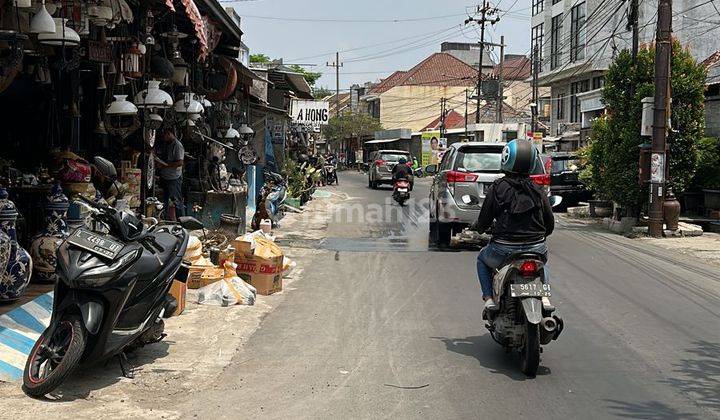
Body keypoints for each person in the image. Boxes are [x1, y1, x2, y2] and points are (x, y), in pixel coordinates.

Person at [471, 139, 555, 311]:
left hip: (503, 249)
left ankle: (488, 299)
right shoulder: (538, 189)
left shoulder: (497, 188)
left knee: (481, 259)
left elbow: (484, 220)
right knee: (543, 262)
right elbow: (550, 223)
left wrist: (479, 228)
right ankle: (545, 297)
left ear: (506, 158)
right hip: (536, 247)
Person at [154, 127, 185, 219]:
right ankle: (166, 219)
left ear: (170, 134)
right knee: (165, 200)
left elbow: (180, 163)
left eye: (165, 135)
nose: (164, 137)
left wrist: (165, 165)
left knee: (176, 200)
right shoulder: (167, 144)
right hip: (165, 176)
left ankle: (181, 222)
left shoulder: (177, 145)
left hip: (173, 178)